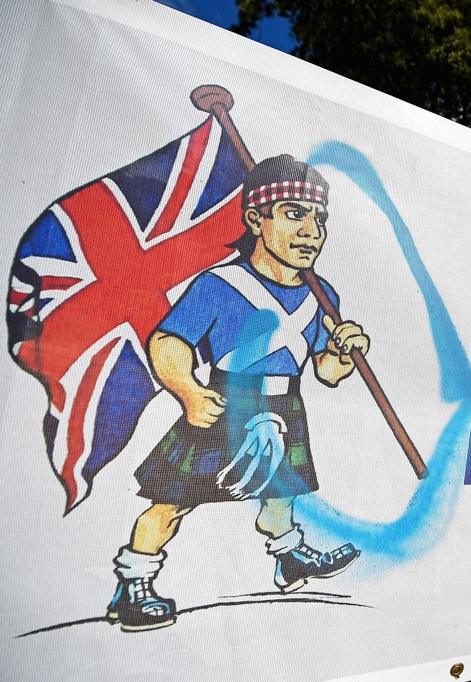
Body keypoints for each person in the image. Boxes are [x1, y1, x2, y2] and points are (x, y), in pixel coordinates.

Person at [106, 155, 369, 632]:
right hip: (226, 404)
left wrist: (344, 353)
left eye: (320, 219)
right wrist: (187, 390)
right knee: (172, 500)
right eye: (294, 214)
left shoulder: (322, 294)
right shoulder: (221, 284)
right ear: (256, 219)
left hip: (285, 404)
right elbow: (168, 342)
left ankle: (289, 558)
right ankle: (135, 581)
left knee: (280, 495)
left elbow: (327, 372)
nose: (312, 230)